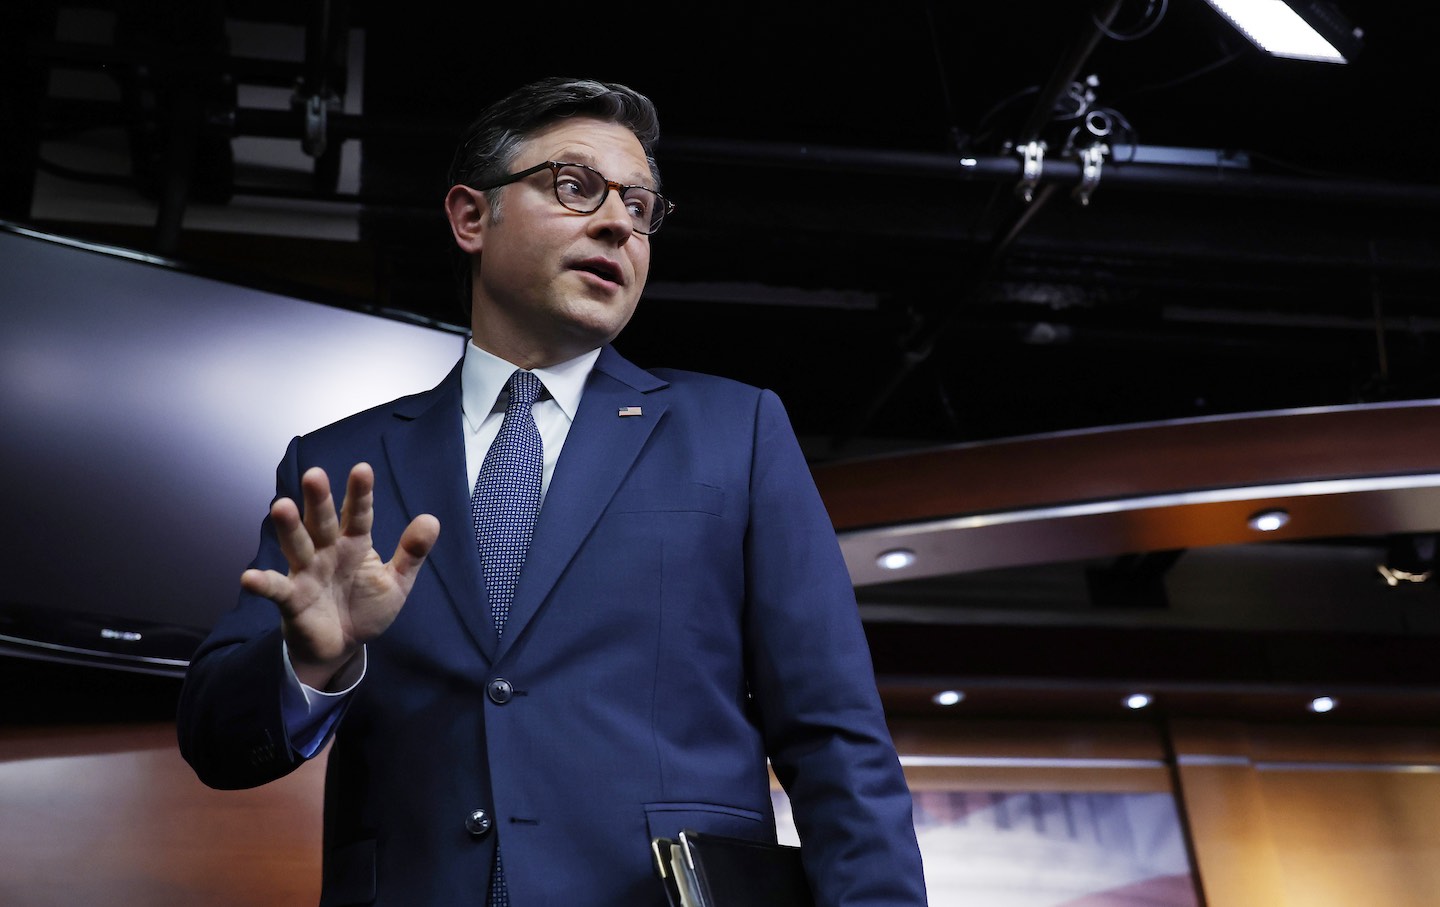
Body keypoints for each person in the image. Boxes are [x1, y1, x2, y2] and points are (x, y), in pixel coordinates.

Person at [177, 75, 928, 907]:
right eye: (576, 187)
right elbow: (215, 741)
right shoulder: (338, 466)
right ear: (471, 217)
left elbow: (837, 740)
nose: (619, 222)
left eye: (642, 208)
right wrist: (315, 661)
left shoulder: (737, 432)